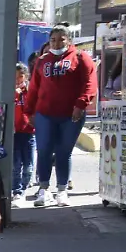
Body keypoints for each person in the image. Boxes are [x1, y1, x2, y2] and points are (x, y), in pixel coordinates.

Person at [24, 23, 97, 207]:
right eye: (53, 40)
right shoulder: (42, 61)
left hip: (70, 115)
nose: (56, 44)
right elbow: (33, 88)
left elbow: (90, 83)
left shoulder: (81, 57)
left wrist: (81, 104)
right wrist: (29, 110)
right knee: (44, 151)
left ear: (69, 40)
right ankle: (43, 190)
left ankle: (62, 190)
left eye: (61, 40)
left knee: (64, 152)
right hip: (45, 114)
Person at [12, 63, 35, 203]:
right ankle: (17, 190)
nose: (18, 80)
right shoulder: (10, 91)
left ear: (26, 77)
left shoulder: (31, 91)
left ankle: (25, 187)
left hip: (29, 131)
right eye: (15, 77)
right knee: (16, 165)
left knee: (29, 165)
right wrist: (15, 93)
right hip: (14, 133)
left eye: (20, 76)